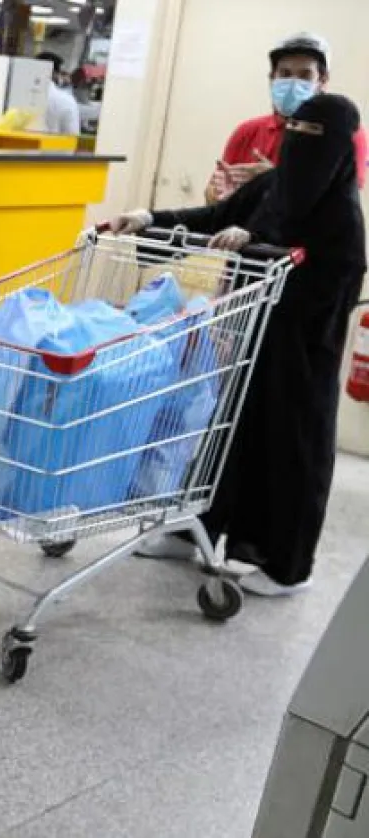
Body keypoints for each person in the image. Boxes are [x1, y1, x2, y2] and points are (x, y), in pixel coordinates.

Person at [113, 94, 366, 597]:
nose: (300, 146)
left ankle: (285, 566)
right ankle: (194, 532)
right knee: (224, 437)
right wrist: (150, 218)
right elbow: (215, 217)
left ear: (340, 149)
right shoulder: (273, 185)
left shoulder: (342, 216)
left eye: (315, 136)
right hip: (250, 339)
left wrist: (253, 245)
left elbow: (325, 284)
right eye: (295, 131)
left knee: (286, 451)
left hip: (299, 360)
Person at [204, 33, 367, 204]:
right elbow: (211, 198)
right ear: (272, 78)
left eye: (305, 75)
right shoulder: (247, 132)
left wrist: (273, 180)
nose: (293, 83)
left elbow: (340, 207)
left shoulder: (347, 135)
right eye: (285, 73)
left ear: (322, 81)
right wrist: (219, 196)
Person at [38, 51, 80, 136]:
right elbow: (72, 135)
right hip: (53, 147)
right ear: (55, 74)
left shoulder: (16, 95)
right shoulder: (67, 101)